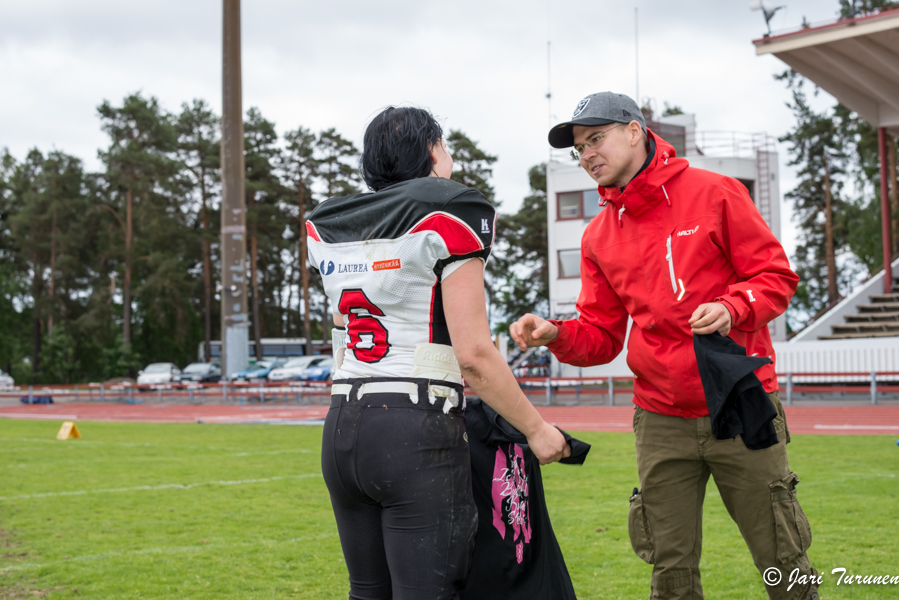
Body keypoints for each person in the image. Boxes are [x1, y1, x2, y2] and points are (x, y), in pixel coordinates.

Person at [510, 92, 819, 600]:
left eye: (596, 139)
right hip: (659, 417)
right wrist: (557, 334)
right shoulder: (596, 237)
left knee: (782, 558)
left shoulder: (715, 193)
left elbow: (776, 276)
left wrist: (733, 306)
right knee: (670, 571)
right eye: (579, 149)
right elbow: (602, 337)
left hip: (739, 403)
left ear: (635, 131)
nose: (587, 155)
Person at [306, 106, 569, 600]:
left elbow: (343, 337)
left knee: (367, 592)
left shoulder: (331, 222)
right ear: (431, 151)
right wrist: (537, 428)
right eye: (444, 145)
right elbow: (473, 353)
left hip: (343, 424)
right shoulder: (451, 209)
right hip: (414, 428)